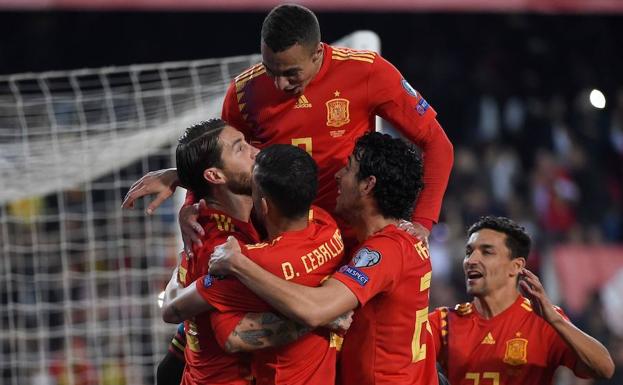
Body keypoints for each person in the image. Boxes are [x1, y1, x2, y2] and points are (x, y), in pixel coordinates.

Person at [122, 3, 453, 253]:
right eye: (270, 70)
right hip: (281, 242)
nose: (280, 84)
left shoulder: (368, 72)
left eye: (291, 73)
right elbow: (220, 160)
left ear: (318, 53)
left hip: (353, 238)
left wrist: (423, 223)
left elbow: (438, 144)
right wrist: (191, 204)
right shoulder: (243, 93)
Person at [208, 132, 438, 385]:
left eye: (348, 168)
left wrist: (239, 264)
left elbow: (316, 310)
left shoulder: (385, 251)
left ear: (367, 185)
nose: (338, 176)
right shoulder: (400, 240)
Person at [162, 144, 350, 385]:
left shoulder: (244, 262)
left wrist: (179, 270)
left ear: (263, 206)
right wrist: (328, 311)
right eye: (240, 148)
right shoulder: (328, 227)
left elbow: (223, 333)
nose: (252, 151)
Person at [427, 216, 615, 384]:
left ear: (516, 266)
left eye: (487, 252)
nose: (471, 260)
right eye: (469, 252)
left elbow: (604, 369)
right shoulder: (445, 321)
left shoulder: (544, 321)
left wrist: (555, 319)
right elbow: (401, 352)